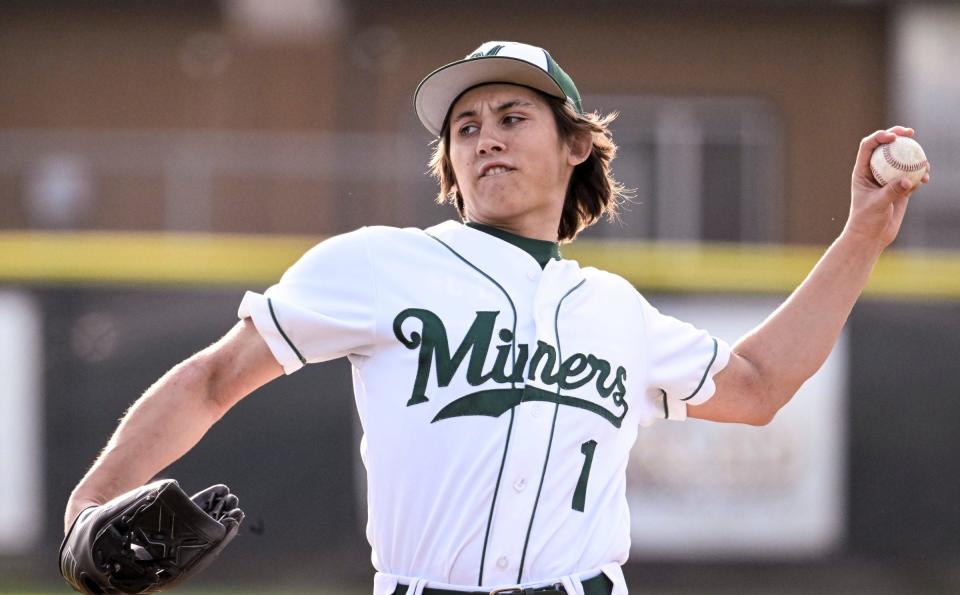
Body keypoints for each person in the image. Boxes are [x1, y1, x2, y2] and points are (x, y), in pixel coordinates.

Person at [64, 41, 929, 595]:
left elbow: (757, 385)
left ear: (576, 143)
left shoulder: (614, 311)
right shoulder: (379, 263)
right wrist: (92, 498)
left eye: (513, 117)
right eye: (465, 127)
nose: (485, 139)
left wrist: (864, 232)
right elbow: (215, 376)